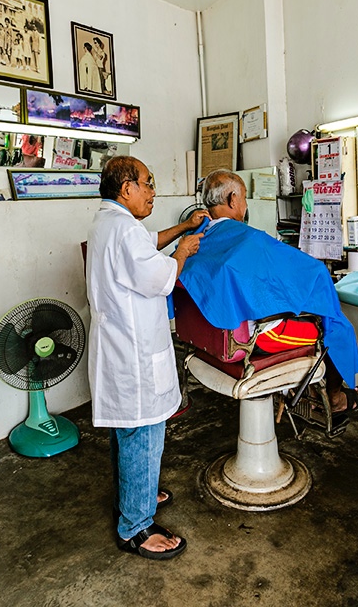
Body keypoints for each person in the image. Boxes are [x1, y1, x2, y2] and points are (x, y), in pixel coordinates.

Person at [85, 156, 208, 561]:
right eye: (148, 184)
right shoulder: (124, 231)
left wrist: (182, 231)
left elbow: (149, 241)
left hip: (119, 347)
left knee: (128, 429)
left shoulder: (111, 223)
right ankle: (135, 527)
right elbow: (161, 278)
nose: (153, 191)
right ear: (127, 189)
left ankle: (136, 490)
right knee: (144, 433)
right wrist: (185, 251)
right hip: (133, 352)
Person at [182, 169, 358, 417]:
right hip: (254, 339)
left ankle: (310, 391)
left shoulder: (193, 240)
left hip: (207, 339)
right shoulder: (249, 240)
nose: (245, 206)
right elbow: (313, 273)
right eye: (244, 198)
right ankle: (335, 399)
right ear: (233, 200)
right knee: (334, 327)